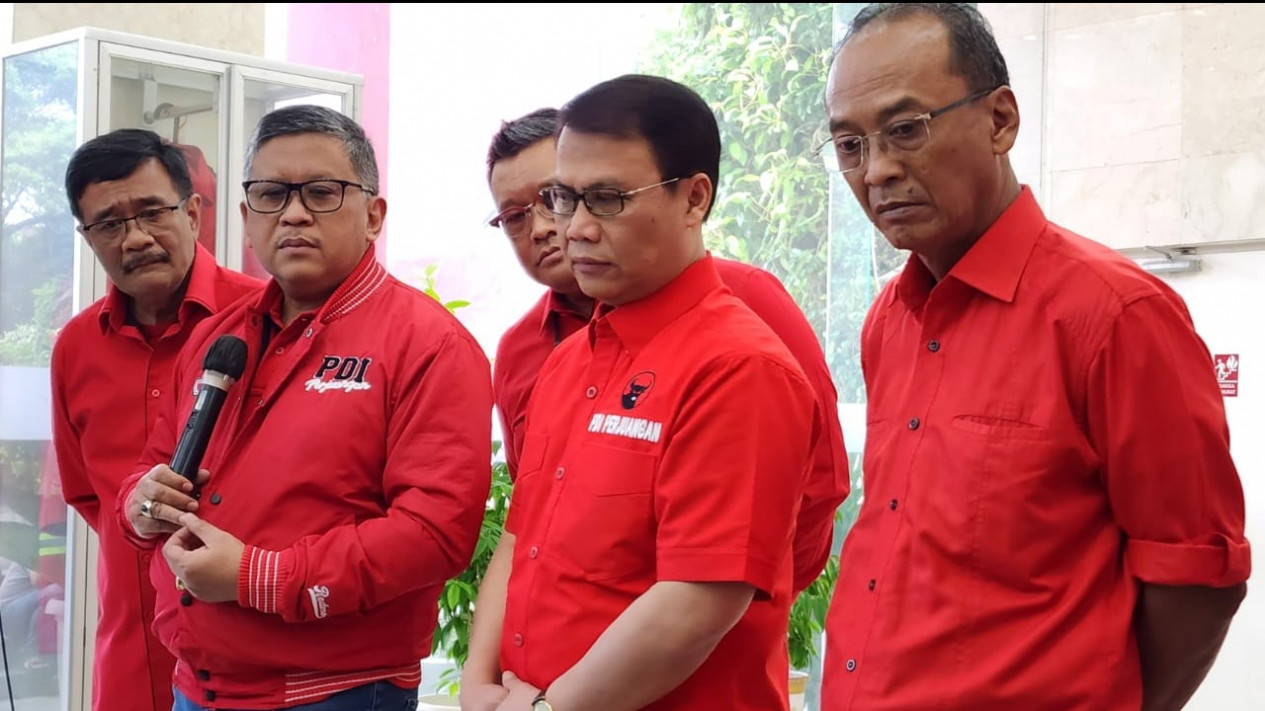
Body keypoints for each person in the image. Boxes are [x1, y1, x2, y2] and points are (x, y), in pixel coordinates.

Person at [819, 4, 1250, 710]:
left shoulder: (1116, 316)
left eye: (906, 129)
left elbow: (1196, 579)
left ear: (999, 121)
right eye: (848, 144)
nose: (878, 170)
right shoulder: (887, 320)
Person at [466, 107, 851, 708]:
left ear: (694, 198)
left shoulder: (740, 349)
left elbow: (715, 583)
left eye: (606, 199)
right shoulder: (555, 360)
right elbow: (525, 534)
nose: (566, 228)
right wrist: (478, 686)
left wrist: (750, 598)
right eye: (562, 201)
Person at [116, 104, 493, 710]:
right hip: (196, 685)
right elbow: (152, 466)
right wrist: (139, 505)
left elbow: (433, 534)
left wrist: (257, 577)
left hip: (335, 692)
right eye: (271, 194)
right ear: (247, 219)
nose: (293, 213)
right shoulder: (218, 337)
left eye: (321, 192)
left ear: (373, 216)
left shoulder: (429, 344)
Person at [51, 128, 263, 711]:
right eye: (109, 224)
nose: (136, 238)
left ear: (192, 213)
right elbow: (88, 495)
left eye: (152, 212)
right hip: (128, 657)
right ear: (87, 237)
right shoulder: (75, 348)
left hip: (244, 663)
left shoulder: (266, 322)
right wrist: (137, 522)